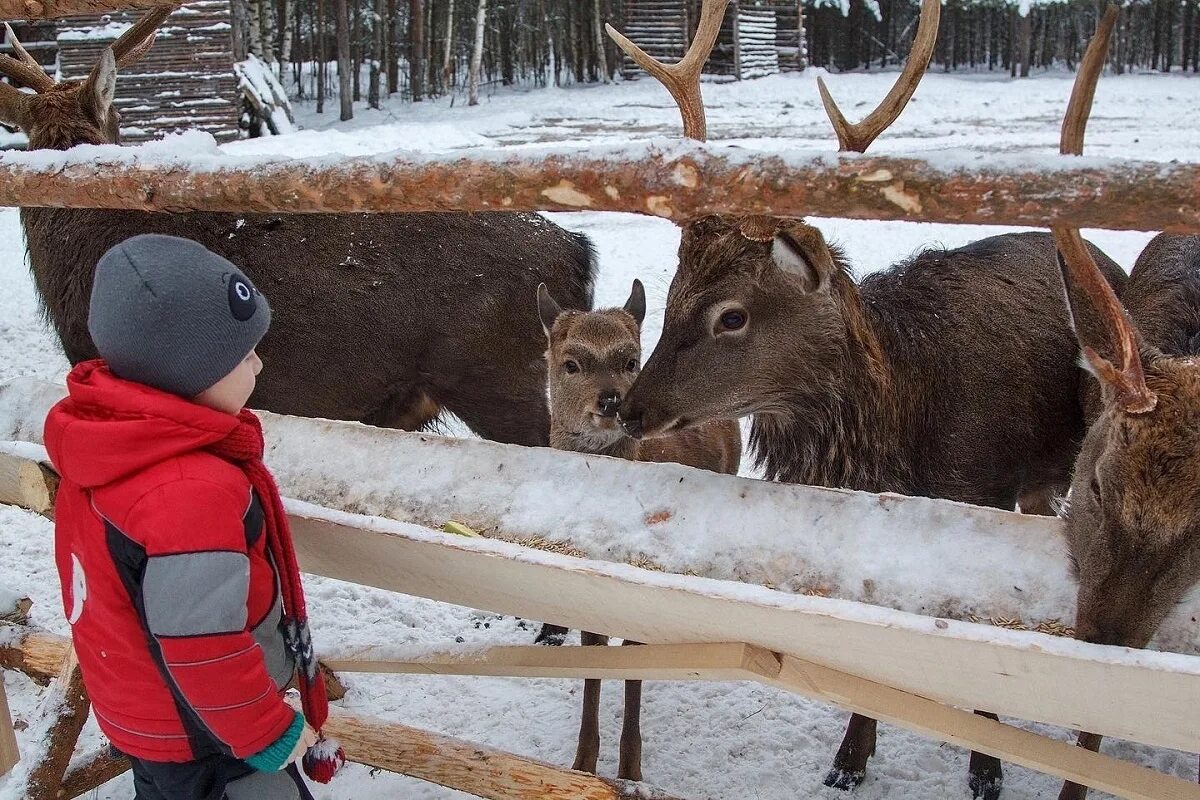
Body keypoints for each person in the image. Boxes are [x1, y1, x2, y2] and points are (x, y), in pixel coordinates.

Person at [44, 234, 341, 799]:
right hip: (213, 740)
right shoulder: (188, 492)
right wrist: (267, 733)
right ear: (188, 372)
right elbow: (204, 644)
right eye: (241, 353)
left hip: (152, 724)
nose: (259, 360)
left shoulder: (106, 446)